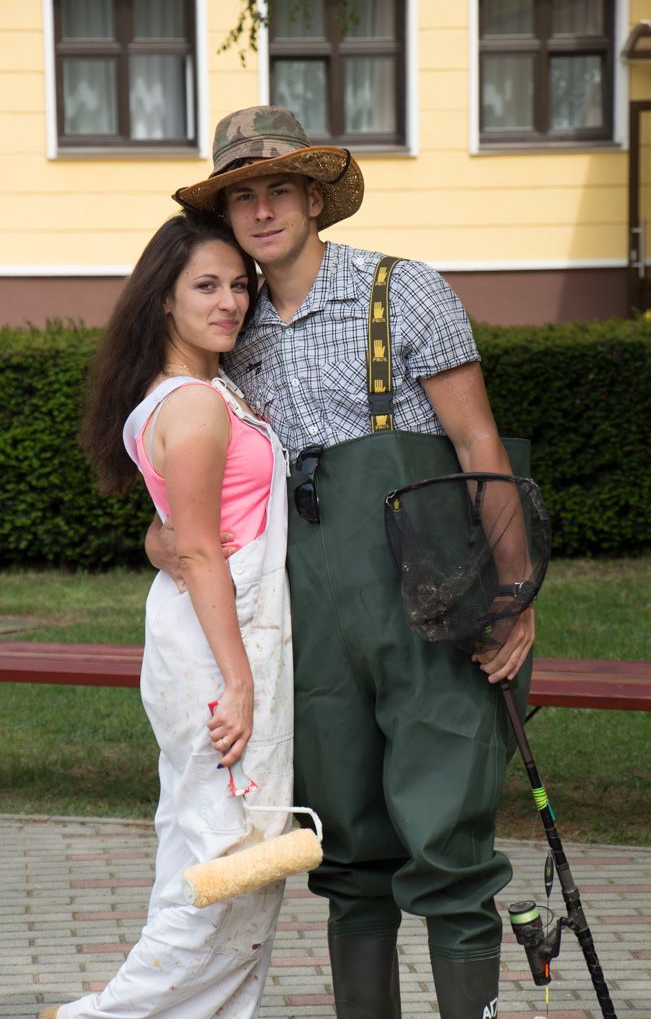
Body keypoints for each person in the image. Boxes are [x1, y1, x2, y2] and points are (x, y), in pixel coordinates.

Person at [149, 106, 536, 1019]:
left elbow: (478, 445)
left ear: (314, 198)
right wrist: (164, 542)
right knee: (350, 853)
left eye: (279, 189)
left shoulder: (402, 289)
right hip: (310, 620)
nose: (262, 210)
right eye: (242, 195)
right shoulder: (229, 323)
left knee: (448, 842)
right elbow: (190, 489)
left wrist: (514, 594)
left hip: (432, 606)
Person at [38, 210, 294, 1019]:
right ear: (164, 299)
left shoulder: (204, 393)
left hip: (215, 635)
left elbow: (174, 535)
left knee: (208, 854)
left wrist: (165, 546)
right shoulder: (191, 405)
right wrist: (239, 683)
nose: (230, 302)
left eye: (238, 286)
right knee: (231, 865)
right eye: (205, 286)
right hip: (221, 648)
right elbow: (199, 551)